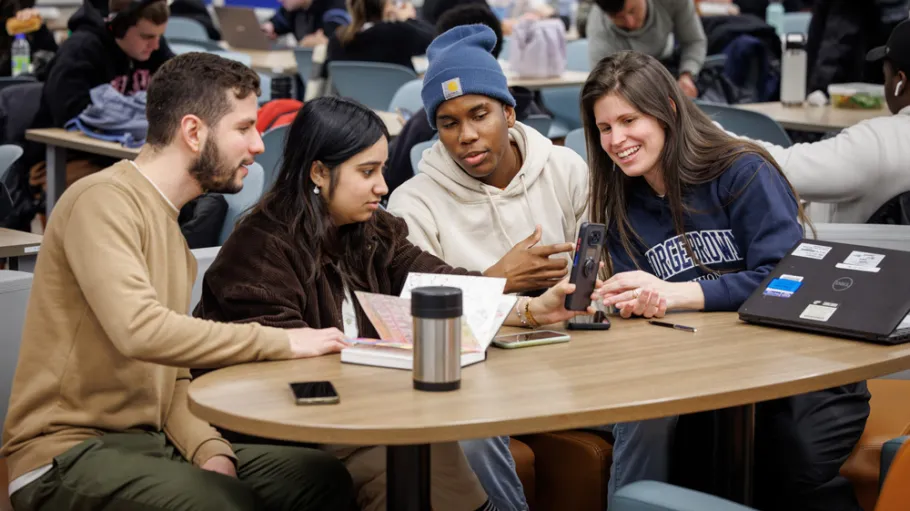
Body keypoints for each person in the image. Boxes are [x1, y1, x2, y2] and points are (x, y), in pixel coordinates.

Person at [193, 95, 595, 511]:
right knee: (412, 452)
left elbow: (434, 280)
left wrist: (530, 310)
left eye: (381, 169)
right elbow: (284, 360)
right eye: (367, 172)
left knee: (430, 447)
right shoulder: (261, 247)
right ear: (318, 172)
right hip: (285, 421)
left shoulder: (370, 228)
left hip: (362, 411)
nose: (382, 186)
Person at [1, 52, 356, 511]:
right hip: (64, 452)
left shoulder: (170, 231)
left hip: (148, 443)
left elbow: (172, 379)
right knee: (220, 501)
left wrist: (212, 451)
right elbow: (139, 330)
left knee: (319, 477)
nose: (259, 146)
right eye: (244, 128)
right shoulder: (101, 200)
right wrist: (283, 342)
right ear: (194, 131)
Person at [583, 50, 871, 510]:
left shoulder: (741, 170)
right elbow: (648, 311)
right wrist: (627, 300)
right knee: (661, 428)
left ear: (669, 111)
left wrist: (680, 293)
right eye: (604, 128)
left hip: (798, 375)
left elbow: (788, 279)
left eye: (629, 120)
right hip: (698, 374)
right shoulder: (621, 201)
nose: (617, 139)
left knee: (776, 463)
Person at [386, 24, 588, 511]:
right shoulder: (413, 203)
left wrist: (586, 288)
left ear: (509, 111)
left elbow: (598, 272)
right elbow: (417, 320)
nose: (467, 136)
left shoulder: (565, 169)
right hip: (482, 375)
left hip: (576, 360)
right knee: (468, 431)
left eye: (480, 114)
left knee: (654, 414)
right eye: (448, 122)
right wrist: (503, 280)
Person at [737, 18, 910, 224]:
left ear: (900, 81)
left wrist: (708, 130)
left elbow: (777, 166)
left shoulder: (880, 143)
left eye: (885, 76)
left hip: (825, 250)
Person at [26, 0, 174, 194]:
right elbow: (70, 114)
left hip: (123, 158)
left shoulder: (153, 47)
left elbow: (178, 86)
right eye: (147, 36)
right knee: (128, 193)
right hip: (66, 158)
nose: (155, 45)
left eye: (159, 37)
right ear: (118, 28)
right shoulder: (80, 50)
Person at [586, 0, 707, 98]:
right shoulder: (599, 30)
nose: (630, 23)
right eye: (619, 18)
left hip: (670, 67)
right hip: (629, 84)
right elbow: (604, 85)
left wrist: (687, 74)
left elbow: (693, 41)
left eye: (632, 11)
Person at [325, 0, 435, 73]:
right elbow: (435, 40)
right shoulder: (397, 32)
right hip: (395, 105)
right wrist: (409, 19)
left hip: (353, 105)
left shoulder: (336, 40)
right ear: (386, 7)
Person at [261, 0, 350, 47]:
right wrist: (269, 27)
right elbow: (277, 24)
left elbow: (335, 41)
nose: (279, 0)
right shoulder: (292, 7)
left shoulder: (336, 8)